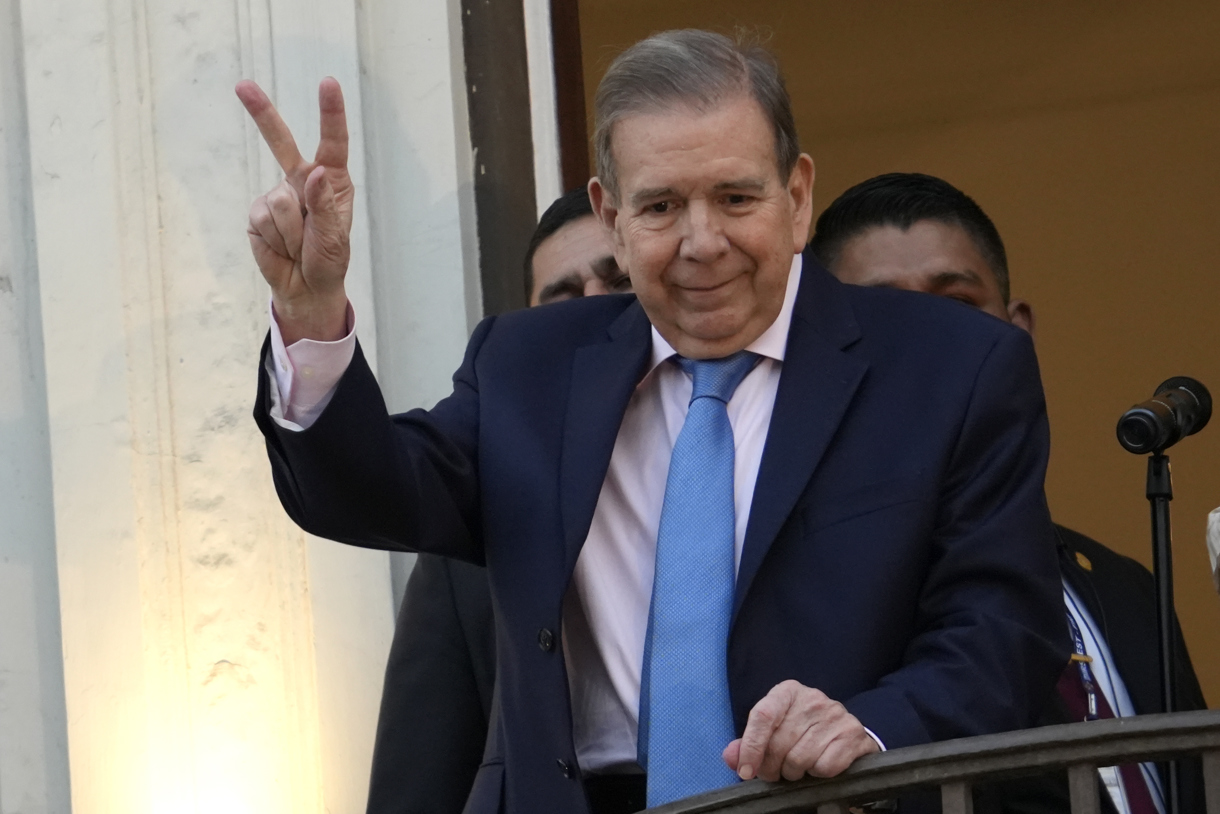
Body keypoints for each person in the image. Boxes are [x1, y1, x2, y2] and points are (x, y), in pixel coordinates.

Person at [239, 30, 1069, 814]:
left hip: (838, 798)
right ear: (610, 216)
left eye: (737, 197)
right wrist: (311, 317)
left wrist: (871, 727)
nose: (702, 241)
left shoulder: (949, 368)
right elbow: (375, 490)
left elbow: (1005, 630)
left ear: (799, 195)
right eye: (662, 206)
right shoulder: (528, 366)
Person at [811, 171, 1208, 814]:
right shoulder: (819, 605)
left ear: (1018, 332)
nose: (931, 346)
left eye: (958, 306)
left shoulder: (1123, 584)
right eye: (882, 314)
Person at [367, 188, 623, 814]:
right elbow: (420, 780)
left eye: (620, 281)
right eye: (561, 299)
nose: (592, 309)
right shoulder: (468, 544)